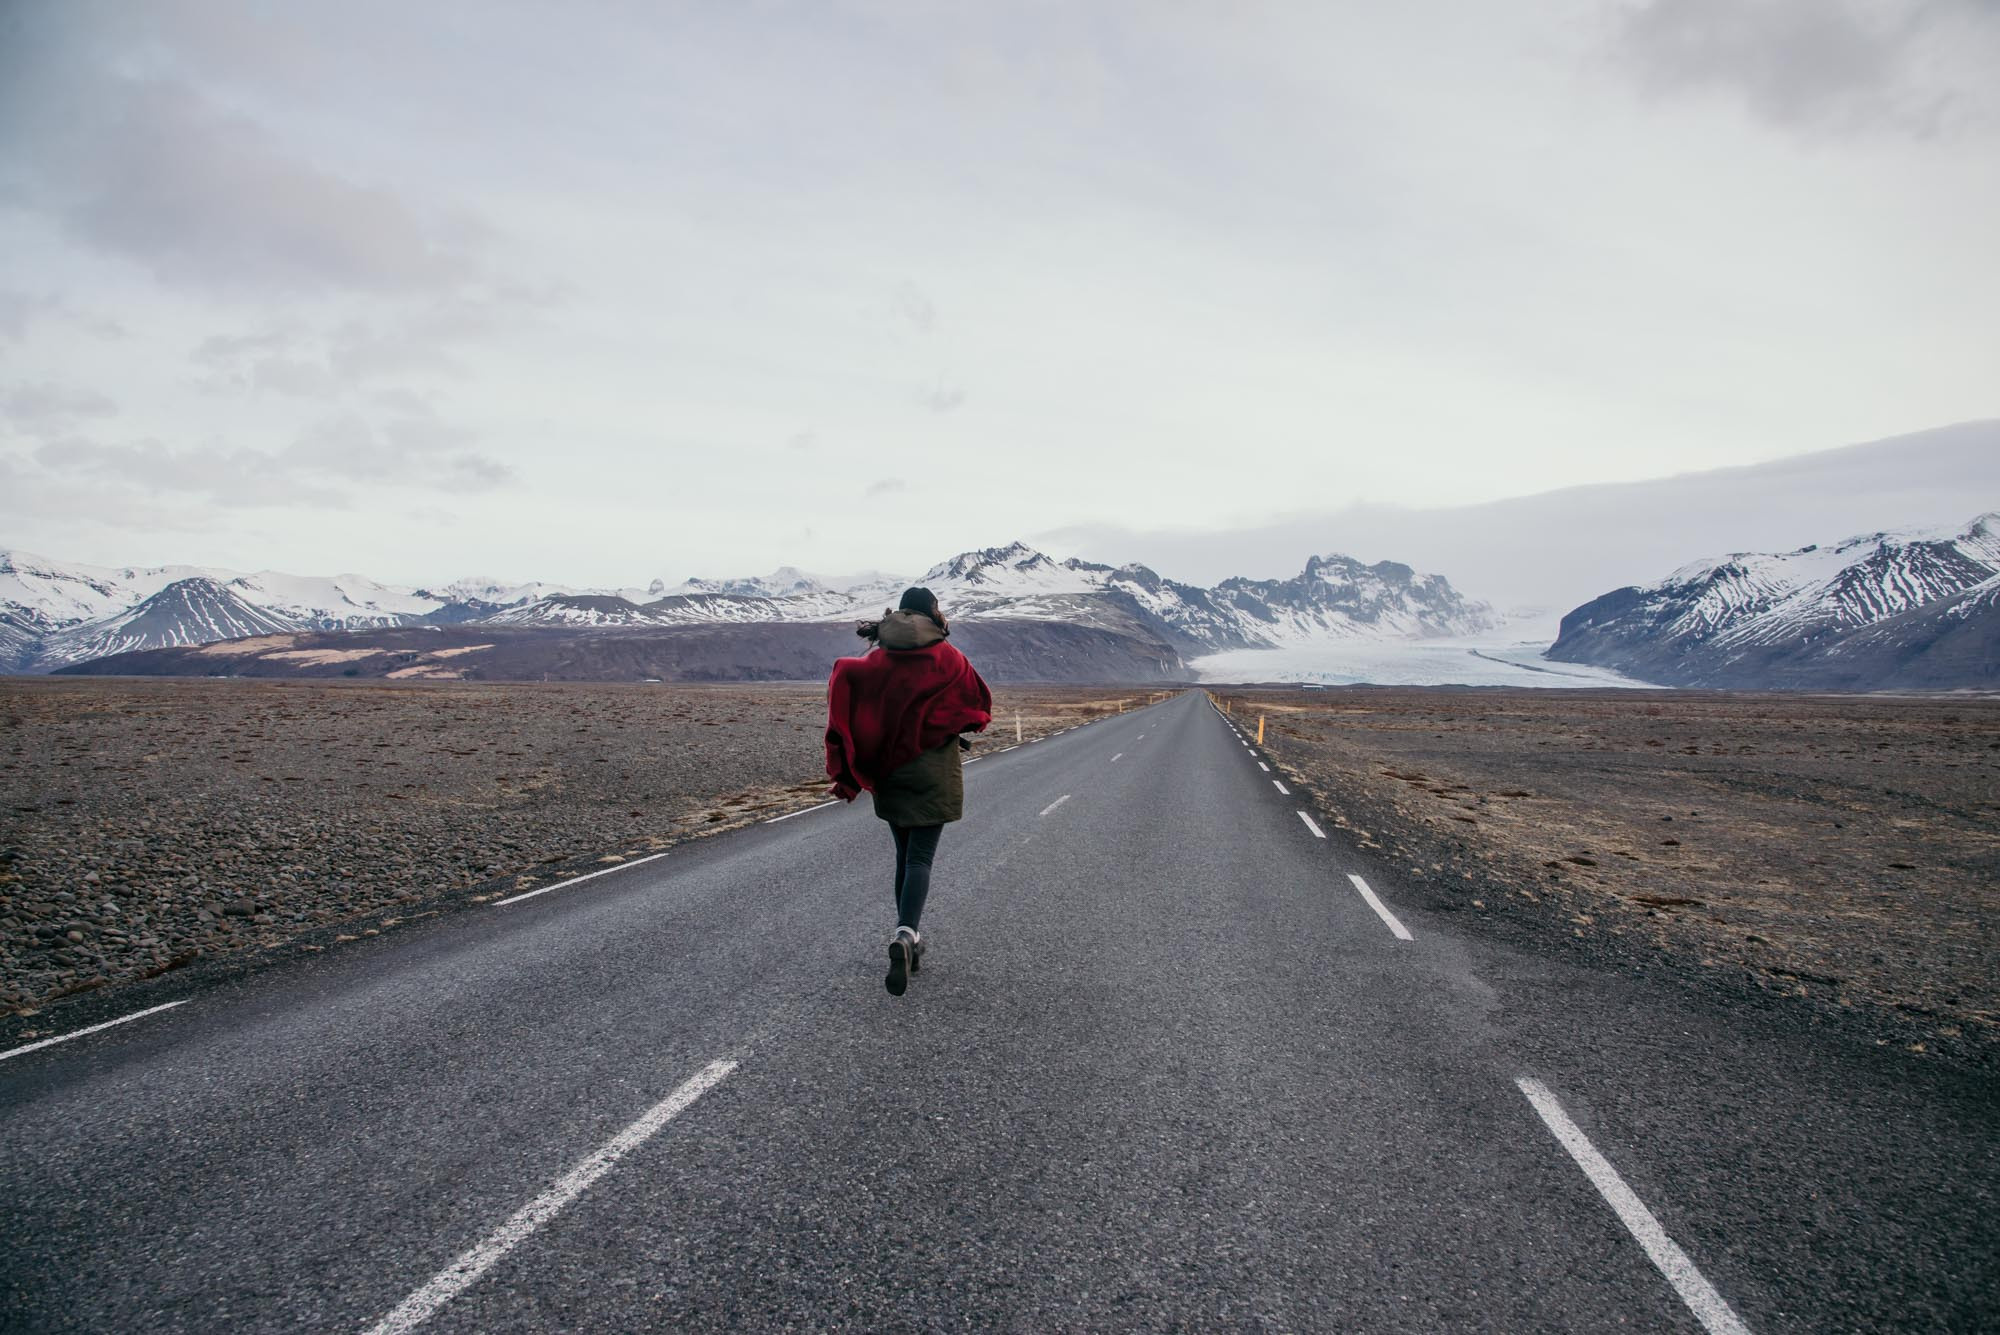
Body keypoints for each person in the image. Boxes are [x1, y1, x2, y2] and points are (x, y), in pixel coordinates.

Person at [825, 586, 992, 996]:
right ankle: (907, 934)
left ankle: (908, 939)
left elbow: (854, 684)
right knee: (921, 857)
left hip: (890, 771)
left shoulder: (877, 658)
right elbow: (978, 707)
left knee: (904, 853)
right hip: (934, 771)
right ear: (930, 613)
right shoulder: (949, 657)